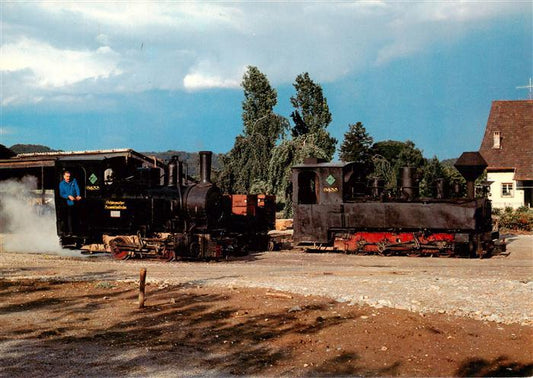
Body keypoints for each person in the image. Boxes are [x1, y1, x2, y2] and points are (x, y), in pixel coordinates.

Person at [59, 171, 81, 235]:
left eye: (69, 176)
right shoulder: (61, 184)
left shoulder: (74, 181)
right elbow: (61, 194)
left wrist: (78, 195)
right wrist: (68, 196)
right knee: (68, 218)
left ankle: (76, 231)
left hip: (75, 202)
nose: (68, 178)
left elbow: (77, 188)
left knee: (75, 217)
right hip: (66, 203)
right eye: (67, 176)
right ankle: (68, 232)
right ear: (64, 176)